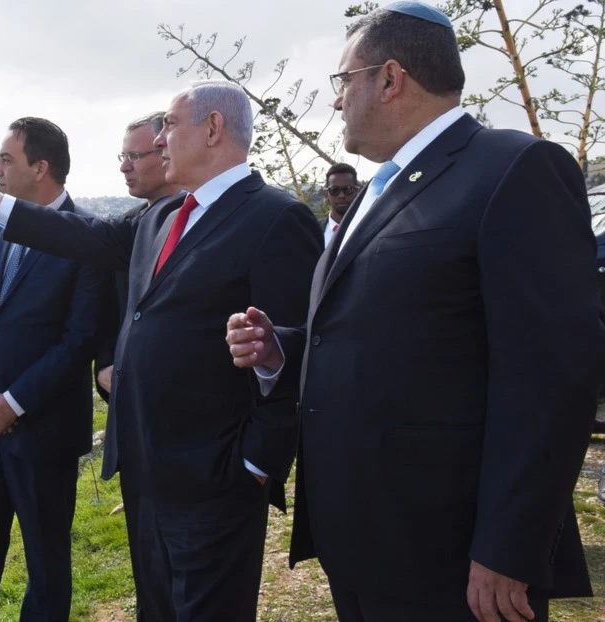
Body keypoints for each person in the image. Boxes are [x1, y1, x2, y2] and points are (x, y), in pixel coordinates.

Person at [225, 3, 605, 621]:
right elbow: (373, 331)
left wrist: (510, 545)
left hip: (448, 548)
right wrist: (282, 348)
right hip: (364, 535)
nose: (336, 101)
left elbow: (552, 374)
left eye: (342, 82)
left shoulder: (512, 168)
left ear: (390, 77)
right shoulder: (378, 188)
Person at [0, 80, 322, 621]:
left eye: (169, 126)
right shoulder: (160, 217)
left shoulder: (276, 217)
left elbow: (295, 350)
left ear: (212, 129)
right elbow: (84, 238)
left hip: (217, 474)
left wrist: (259, 462)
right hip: (146, 469)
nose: (159, 139)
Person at [0, 117, 105, 621]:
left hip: (44, 432)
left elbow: (79, 341)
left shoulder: (90, 238)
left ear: (41, 167)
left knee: (47, 563)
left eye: (6, 159)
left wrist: (10, 402)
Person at [93, 111, 183, 620]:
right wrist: (105, 364)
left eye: (135, 156)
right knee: (151, 577)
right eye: (121, 156)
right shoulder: (130, 227)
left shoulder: (228, 220)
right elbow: (108, 313)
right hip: (135, 428)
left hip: (199, 439)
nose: (125, 167)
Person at [320, 162, 359, 247]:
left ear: (357, 191)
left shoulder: (370, 227)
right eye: (334, 190)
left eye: (348, 189)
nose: (341, 196)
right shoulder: (315, 231)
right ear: (326, 194)